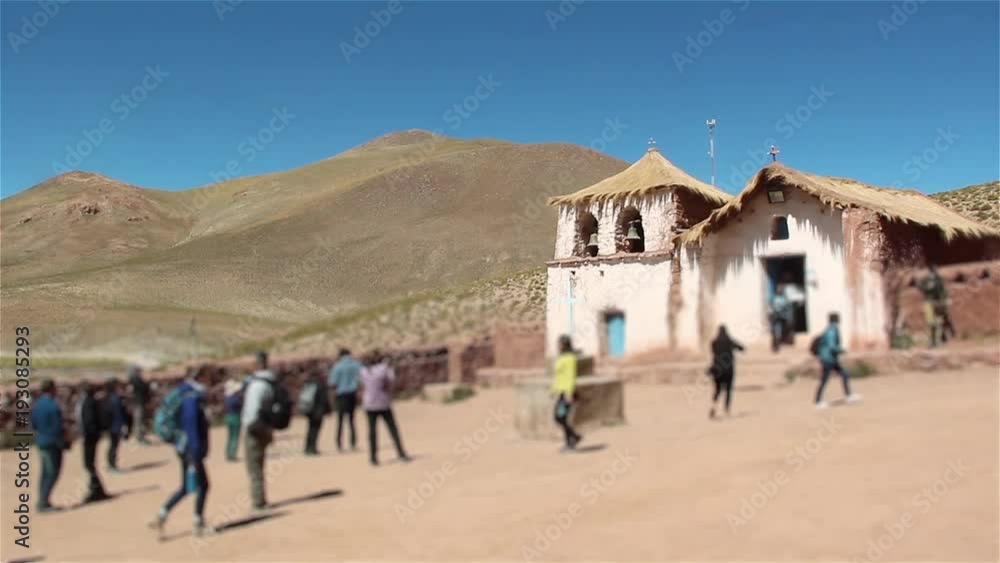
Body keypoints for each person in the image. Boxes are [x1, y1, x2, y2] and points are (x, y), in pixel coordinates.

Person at [149, 367, 213, 538]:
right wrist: (196, 451)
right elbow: (192, 425)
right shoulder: (192, 397)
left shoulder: (185, 394)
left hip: (183, 446)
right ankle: (198, 523)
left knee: (186, 486)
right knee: (204, 485)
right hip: (191, 448)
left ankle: (162, 514)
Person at [241, 351, 277, 511]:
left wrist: (248, 425)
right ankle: (261, 498)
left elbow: (252, 410)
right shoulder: (271, 382)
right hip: (266, 427)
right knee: (259, 465)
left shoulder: (257, 385)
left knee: (254, 467)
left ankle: (258, 502)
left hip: (255, 428)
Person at [361, 350, 410, 466]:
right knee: (392, 429)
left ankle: (373, 458)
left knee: (372, 431)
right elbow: (391, 381)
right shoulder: (384, 369)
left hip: (369, 403)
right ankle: (401, 453)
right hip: (383, 402)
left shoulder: (364, 371)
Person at [814, 313, 863, 408]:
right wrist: (842, 350)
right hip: (828, 359)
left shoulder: (831, 329)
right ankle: (818, 401)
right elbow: (832, 346)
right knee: (825, 379)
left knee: (844, 374)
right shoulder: (831, 331)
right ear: (837, 320)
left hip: (830, 358)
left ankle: (848, 396)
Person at [31, 379, 65, 512]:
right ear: (52, 389)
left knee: (45, 472)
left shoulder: (37, 405)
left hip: (42, 441)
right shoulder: (53, 405)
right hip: (53, 442)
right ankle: (43, 502)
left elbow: (33, 424)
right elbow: (58, 427)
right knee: (52, 473)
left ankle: (42, 499)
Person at [76, 382, 110, 503]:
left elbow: (89, 421)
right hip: (91, 436)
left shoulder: (89, 402)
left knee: (88, 464)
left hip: (89, 437)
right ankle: (96, 489)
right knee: (89, 464)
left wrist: (86, 435)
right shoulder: (90, 401)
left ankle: (96, 489)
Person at [551, 335, 582, 451]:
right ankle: (573, 437)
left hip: (567, 393)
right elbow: (559, 376)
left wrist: (569, 392)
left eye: (560, 344)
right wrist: (554, 390)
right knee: (559, 418)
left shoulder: (570, 358)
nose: (558, 347)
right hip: (561, 392)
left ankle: (572, 440)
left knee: (561, 417)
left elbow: (570, 376)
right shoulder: (561, 357)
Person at [707, 325, 745, 419]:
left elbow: (712, 351)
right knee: (728, 390)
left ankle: (714, 406)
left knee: (717, 390)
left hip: (717, 369)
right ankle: (726, 410)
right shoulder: (730, 341)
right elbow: (741, 348)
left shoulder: (714, 342)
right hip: (728, 370)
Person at [328, 348, 361, 452]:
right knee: (351, 420)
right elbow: (362, 378)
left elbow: (332, 383)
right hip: (352, 394)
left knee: (340, 420)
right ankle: (353, 442)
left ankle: (339, 443)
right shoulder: (356, 364)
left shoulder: (337, 367)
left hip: (341, 395)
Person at [919, 263, 950, 348]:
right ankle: (931, 341)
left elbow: (943, 290)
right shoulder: (926, 280)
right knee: (931, 323)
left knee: (939, 322)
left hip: (938, 302)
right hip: (928, 302)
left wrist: (946, 299)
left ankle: (938, 341)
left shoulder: (939, 279)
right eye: (933, 270)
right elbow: (920, 286)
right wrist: (928, 288)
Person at [302, 371, 331, 455]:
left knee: (310, 429)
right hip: (317, 411)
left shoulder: (307, 384)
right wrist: (328, 410)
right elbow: (323, 399)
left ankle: (307, 447)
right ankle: (312, 448)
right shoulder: (320, 385)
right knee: (315, 429)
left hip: (308, 409)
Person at [104, 378, 128, 472]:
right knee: (114, 446)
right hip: (115, 426)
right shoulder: (115, 399)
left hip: (111, 426)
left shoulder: (109, 397)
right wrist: (123, 425)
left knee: (112, 445)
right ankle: (111, 464)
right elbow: (119, 414)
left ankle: (111, 464)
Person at [223, 378, 243, 462]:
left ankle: (228, 453)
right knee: (235, 436)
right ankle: (232, 454)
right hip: (235, 417)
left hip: (228, 417)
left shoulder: (227, 398)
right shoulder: (236, 398)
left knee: (230, 436)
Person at [128, 366, 150, 444]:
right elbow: (144, 387)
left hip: (139, 403)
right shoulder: (135, 380)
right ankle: (138, 438)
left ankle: (139, 437)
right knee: (138, 421)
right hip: (138, 403)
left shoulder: (136, 380)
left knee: (139, 421)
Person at [770, 285, 794, 353]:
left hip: (783, 317)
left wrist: (789, 318)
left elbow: (789, 309)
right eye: (778, 289)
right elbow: (771, 307)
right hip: (776, 317)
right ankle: (776, 345)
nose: (779, 290)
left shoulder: (785, 299)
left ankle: (784, 341)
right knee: (777, 330)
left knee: (784, 330)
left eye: (780, 289)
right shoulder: (774, 298)